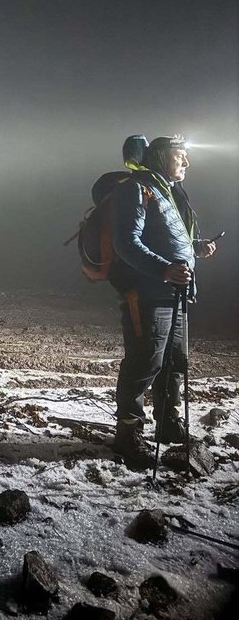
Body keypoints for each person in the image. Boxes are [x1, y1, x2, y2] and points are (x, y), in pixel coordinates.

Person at [109, 134, 216, 468]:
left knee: (174, 361)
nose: (186, 162)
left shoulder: (168, 192)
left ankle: (167, 423)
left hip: (175, 293)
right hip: (148, 293)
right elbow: (126, 243)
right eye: (179, 155)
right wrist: (164, 270)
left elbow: (167, 236)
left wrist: (194, 247)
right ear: (159, 157)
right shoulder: (137, 189)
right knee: (145, 361)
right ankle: (128, 434)